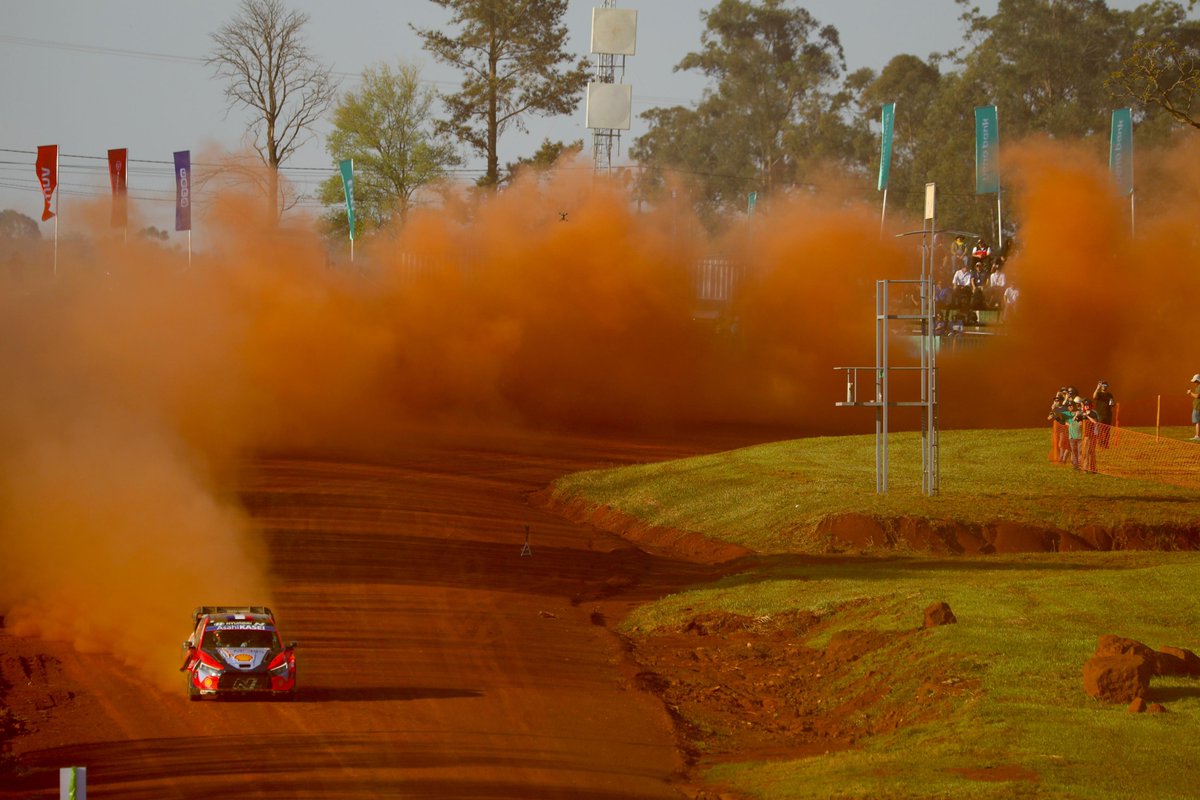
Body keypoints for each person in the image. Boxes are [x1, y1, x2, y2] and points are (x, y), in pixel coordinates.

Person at [1079, 399, 1100, 472]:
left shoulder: (1094, 413)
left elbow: (1095, 422)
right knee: (1086, 452)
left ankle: (1093, 468)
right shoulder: (1083, 413)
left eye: (1088, 405)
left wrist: (1087, 416)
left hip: (1092, 435)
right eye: (1085, 405)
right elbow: (1080, 422)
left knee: (1092, 452)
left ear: (1091, 405)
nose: (1087, 406)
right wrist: (1080, 423)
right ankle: (1085, 468)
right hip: (1085, 435)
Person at [1092, 380, 1115, 446]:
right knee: (1100, 430)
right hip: (1100, 414)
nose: (1104, 386)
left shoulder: (1110, 395)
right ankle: (1100, 443)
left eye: (1105, 385)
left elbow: (1112, 404)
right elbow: (1094, 397)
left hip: (1108, 415)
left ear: (1107, 386)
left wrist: (1112, 403)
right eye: (1103, 385)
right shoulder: (1099, 394)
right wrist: (1097, 388)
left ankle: (1106, 444)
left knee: (1107, 430)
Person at [1189, 374, 1200, 441]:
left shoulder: (1199, 387)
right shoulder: (1198, 386)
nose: (1194, 382)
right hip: (1197, 406)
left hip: (1198, 407)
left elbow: (1197, 396)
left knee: (1197, 422)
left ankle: (1197, 436)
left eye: (1195, 381)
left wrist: (1190, 393)